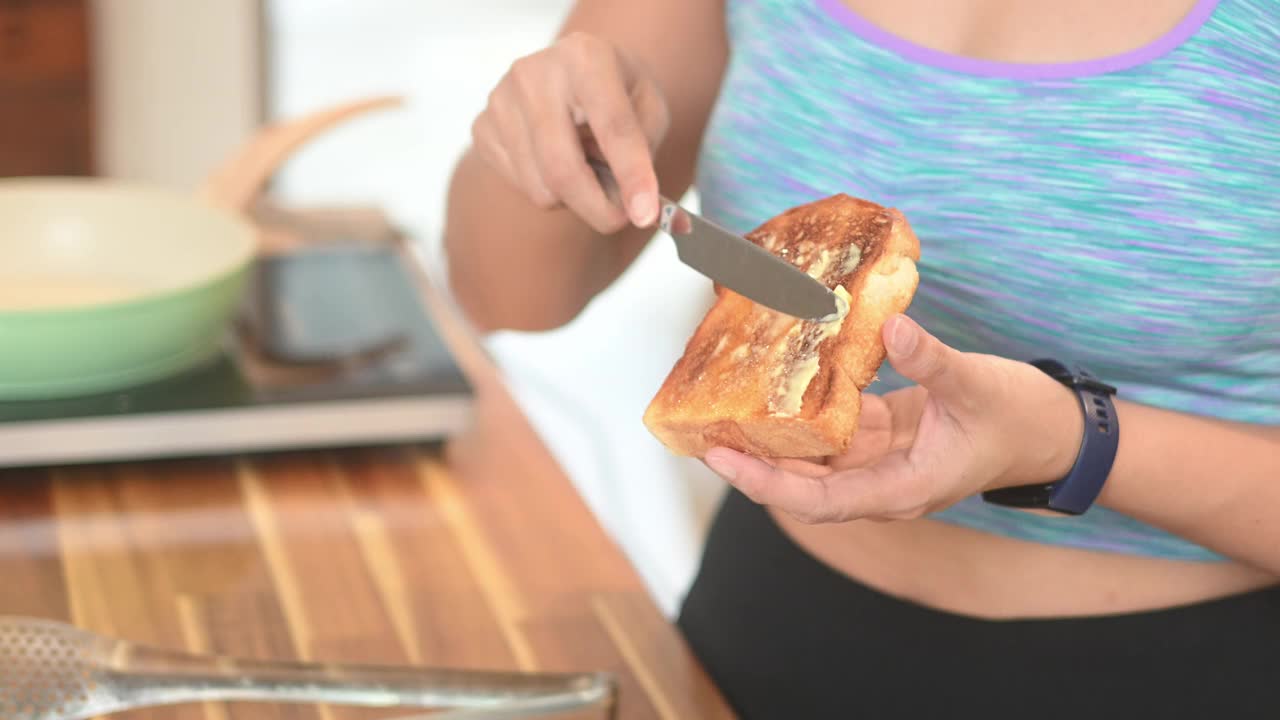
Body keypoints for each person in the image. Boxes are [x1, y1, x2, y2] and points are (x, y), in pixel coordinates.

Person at [443, 0, 1280, 716]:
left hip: (1172, 674)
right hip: (763, 629)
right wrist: (537, 135)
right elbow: (507, 295)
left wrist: (1074, 440)